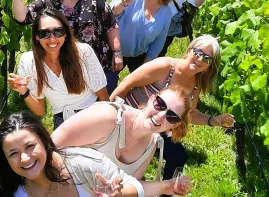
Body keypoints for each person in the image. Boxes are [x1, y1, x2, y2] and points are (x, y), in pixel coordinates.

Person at [110, 35, 235, 197]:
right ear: (189, 50)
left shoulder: (195, 85)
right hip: (131, 118)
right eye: (198, 52)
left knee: (178, 156)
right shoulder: (165, 66)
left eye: (207, 58)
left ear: (209, 66)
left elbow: (189, 113)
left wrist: (213, 120)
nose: (200, 59)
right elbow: (127, 83)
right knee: (124, 163)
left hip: (158, 127)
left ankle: (166, 192)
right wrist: (113, 114)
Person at [0, 111, 193, 197]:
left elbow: (134, 186)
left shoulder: (84, 164)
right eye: (13, 153)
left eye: (29, 146)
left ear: (44, 141)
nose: (24, 158)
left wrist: (119, 194)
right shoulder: (11, 190)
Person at [10, 0, 122, 94]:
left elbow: (111, 24)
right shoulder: (48, 3)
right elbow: (21, 17)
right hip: (69, 72)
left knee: (107, 107)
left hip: (101, 65)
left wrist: (117, 52)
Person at [52, 84, 191, 181]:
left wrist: (168, 187)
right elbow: (50, 146)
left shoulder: (152, 143)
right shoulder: (108, 117)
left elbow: (131, 185)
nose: (161, 115)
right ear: (151, 99)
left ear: (175, 125)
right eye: (160, 104)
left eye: (171, 116)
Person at [8, 9, 108, 129]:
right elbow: (40, 111)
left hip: (92, 115)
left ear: (65, 34)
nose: (52, 39)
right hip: (62, 121)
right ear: (36, 37)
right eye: (44, 33)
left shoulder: (83, 53)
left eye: (58, 32)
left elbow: (103, 96)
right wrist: (24, 91)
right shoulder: (29, 61)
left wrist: (107, 123)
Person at [109, 0, 177, 73]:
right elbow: (111, 13)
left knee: (137, 88)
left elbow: (159, 42)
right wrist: (125, 2)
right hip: (115, 51)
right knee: (108, 85)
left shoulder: (166, 12)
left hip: (140, 57)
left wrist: (146, 65)